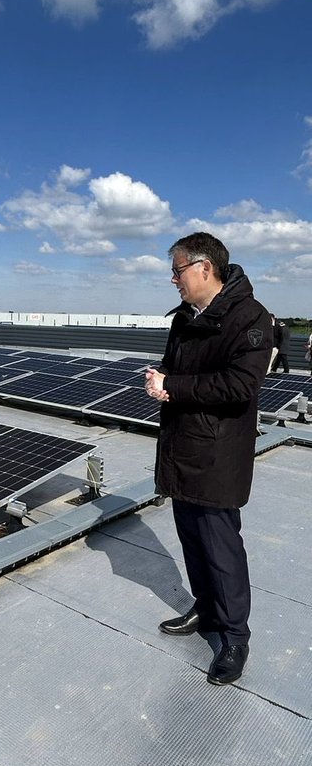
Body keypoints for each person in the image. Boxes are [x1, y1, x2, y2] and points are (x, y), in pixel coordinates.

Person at [145, 232, 271, 686]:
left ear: (203, 267)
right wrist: (161, 379)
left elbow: (241, 386)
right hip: (182, 447)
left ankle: (235, 636)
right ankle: (206, 609)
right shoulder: (184, 318)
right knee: (193, 542)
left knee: (221, 548)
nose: (173, 279)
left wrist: (174, 387)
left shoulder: (249, 317)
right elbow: (175, 368)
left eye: (177, 270)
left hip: (217, 455)